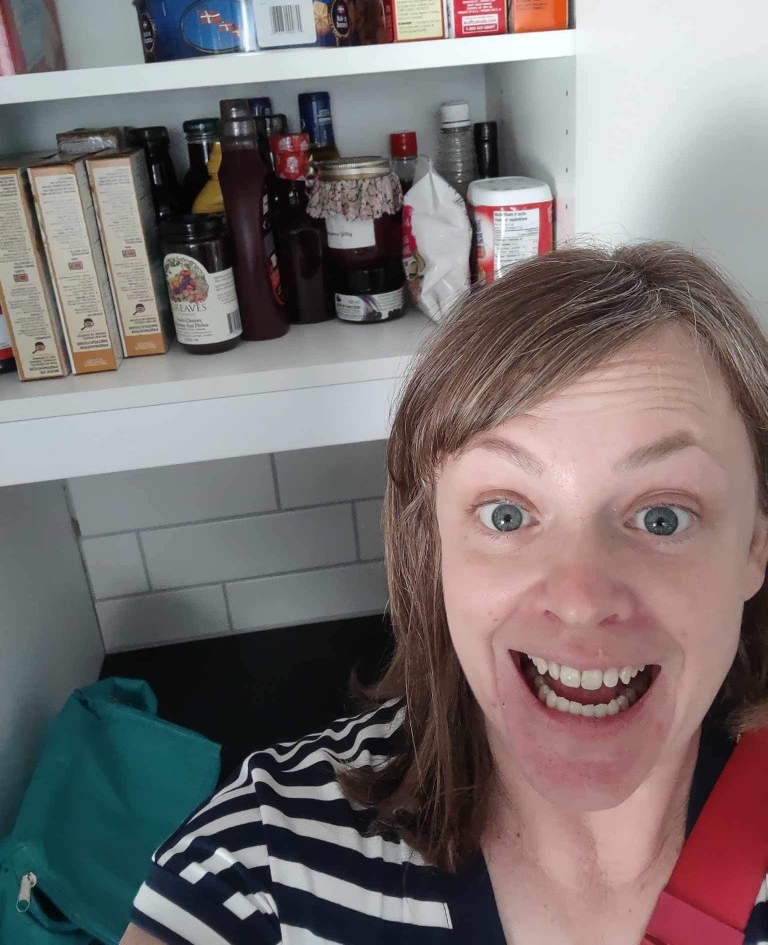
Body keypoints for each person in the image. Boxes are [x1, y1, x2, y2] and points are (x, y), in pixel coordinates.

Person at [120, 244, 768, 945]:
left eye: (663, 517)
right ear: (435, 548)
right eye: (506, 515)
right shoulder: (259, 867)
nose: (580, 601)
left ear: (755, 548)